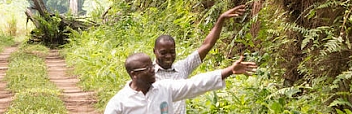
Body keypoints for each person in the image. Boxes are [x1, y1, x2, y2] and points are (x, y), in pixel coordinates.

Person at [151, 5, 246, 113]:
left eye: (172, 52)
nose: (168, 56)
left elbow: (207, 45)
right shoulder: (147, 73)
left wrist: (221, 19)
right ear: (155, 51)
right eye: (163, 53)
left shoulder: (182, 68)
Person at [103, 52, 257, 114]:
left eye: (152, 65)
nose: (153, 69)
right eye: (147, 68)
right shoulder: (119, 103)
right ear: (134, 74)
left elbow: (195, 84)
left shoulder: (164, 88)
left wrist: (229, 70)